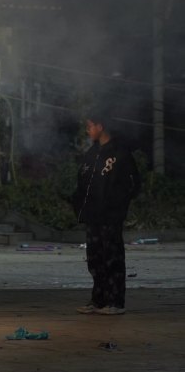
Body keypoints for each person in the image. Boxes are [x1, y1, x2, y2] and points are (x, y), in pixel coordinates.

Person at [72, 113, 140, 315]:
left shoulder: (120, 153)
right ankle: (98, 299)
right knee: (95, 258)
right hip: (93, 215)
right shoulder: (92, 153)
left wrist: (116, 205)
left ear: (100, 126)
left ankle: (115, 301)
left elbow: (132, 184)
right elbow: (83, 182)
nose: (88, 130)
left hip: (110, 216)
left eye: (90, 126)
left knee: (113, 258)